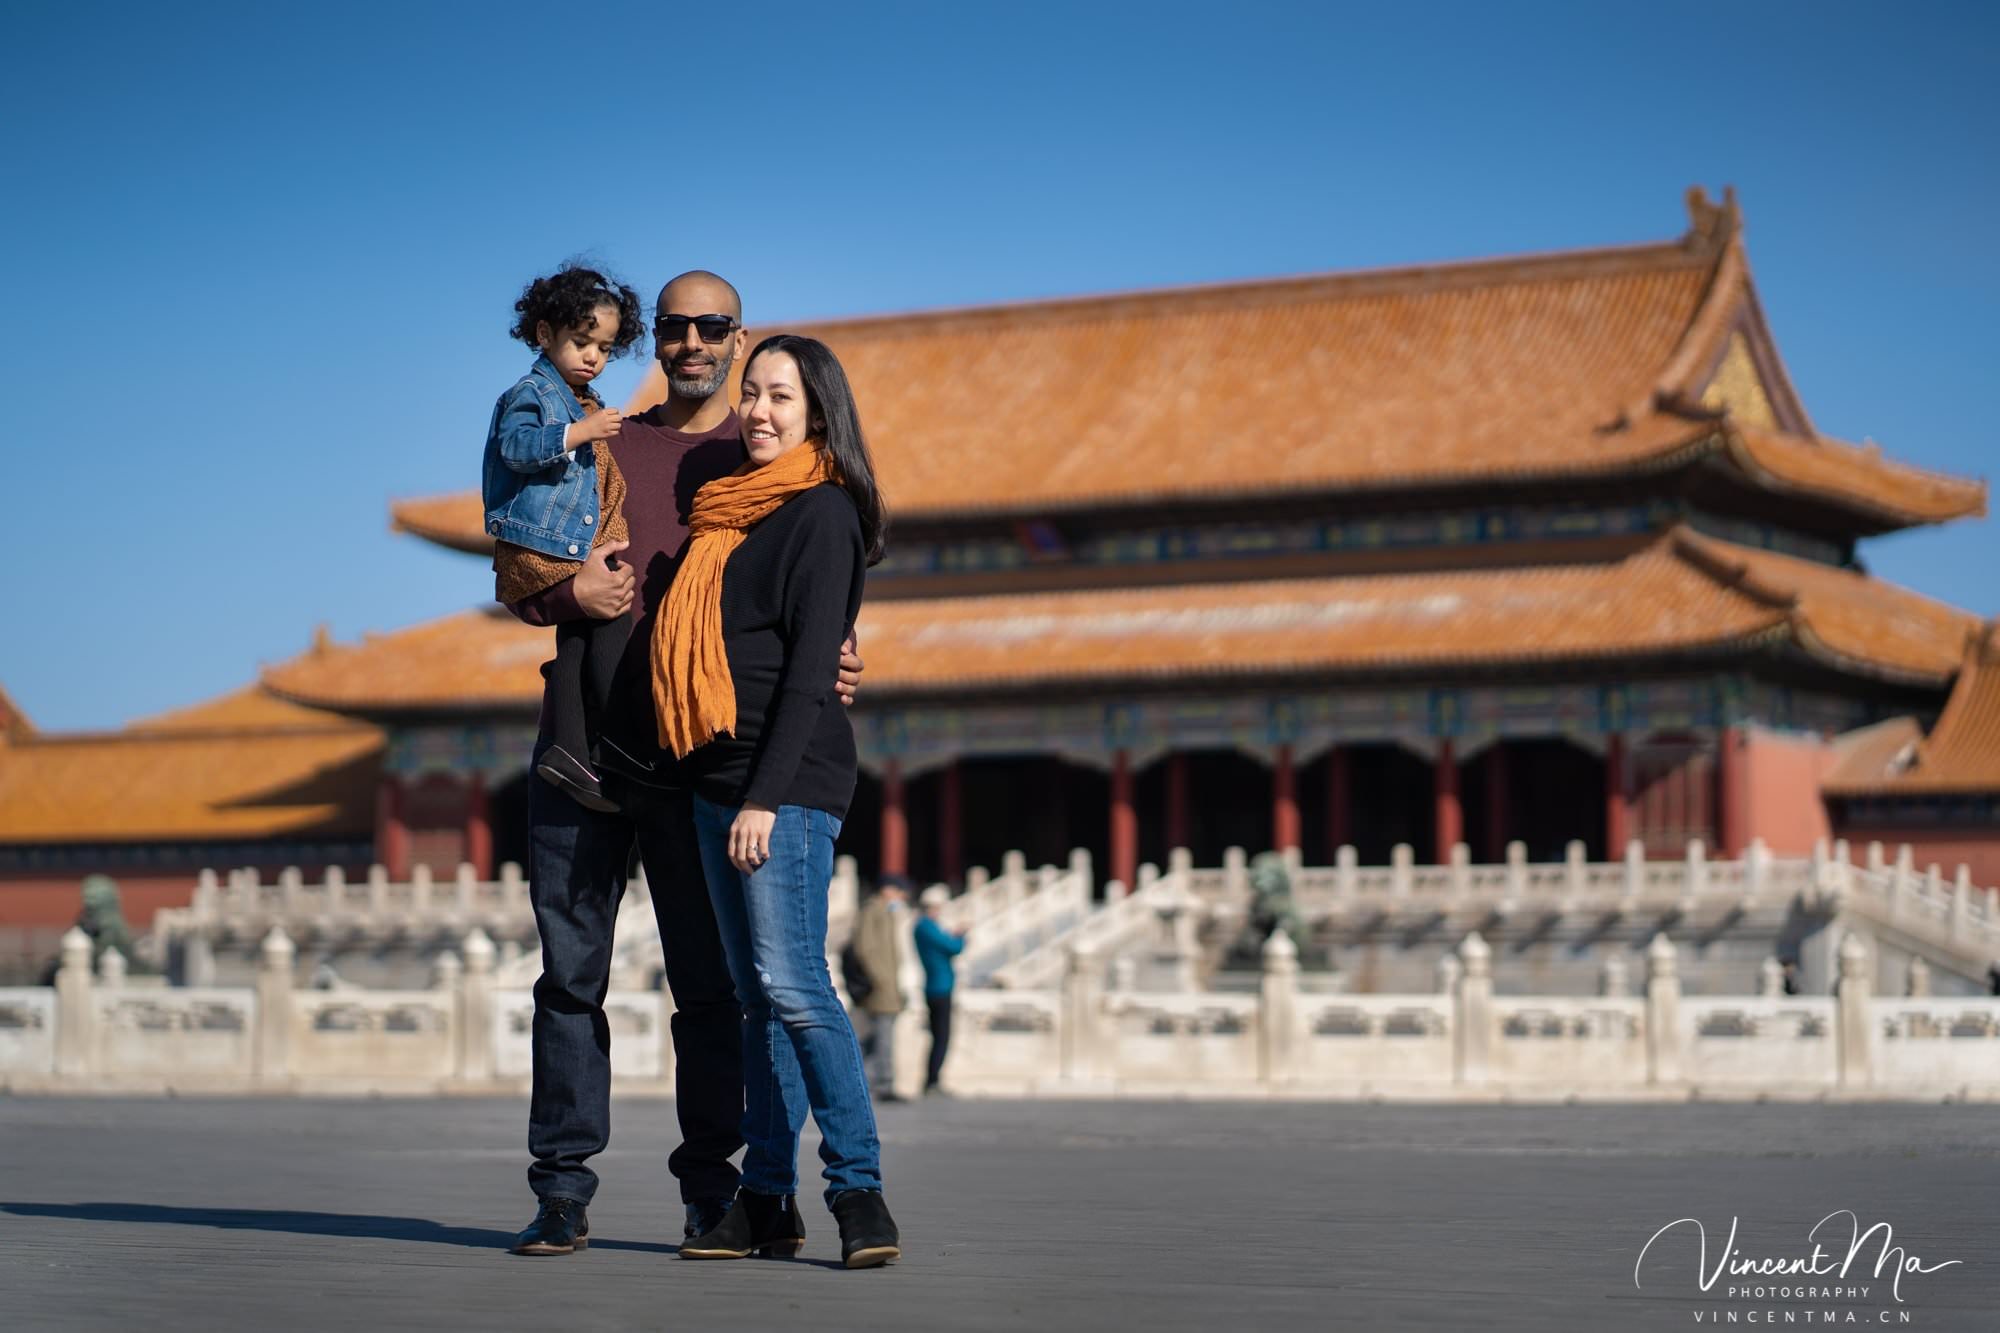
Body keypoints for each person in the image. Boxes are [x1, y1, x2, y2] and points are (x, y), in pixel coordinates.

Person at [505, 273, 865, 1258]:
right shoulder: (600, 437)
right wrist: (559, 591)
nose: (694, 343)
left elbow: (811, 587)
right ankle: (562, 1189)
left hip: (693, 759)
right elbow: (514, 555)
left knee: (711, 991)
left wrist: (834, 649)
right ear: (653, 340)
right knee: (569, 981)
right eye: (676, 328)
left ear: (738, 340)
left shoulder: (759, 456)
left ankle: (715, 1193)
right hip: (582, 749)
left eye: (714, 329)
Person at [666, 333, 901, 1269]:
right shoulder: (724, 517)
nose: (760, 412)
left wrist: (765, 798)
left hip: (785, 789)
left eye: (782, 399)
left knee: (799, 988)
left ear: (818, 413)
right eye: (752, 394)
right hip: (713, 785)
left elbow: (810, 673)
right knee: (756, 1001)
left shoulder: (824, 514)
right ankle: (765, 1199)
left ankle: (859, 1190)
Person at [481, 264, 643, 813]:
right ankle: (614, 737)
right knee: (610, 620)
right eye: (581, 341)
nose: (593, 356)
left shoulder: (581, 396)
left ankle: (571, 749)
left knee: (581, 635)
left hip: (564, 540)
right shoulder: (534, 394)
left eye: (604, 346)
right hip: (544, 542)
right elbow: (517, 449)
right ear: (544, 333)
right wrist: (580, 432)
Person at [853, 880, 909, 1102]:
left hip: (889, 985)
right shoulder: (872, 910)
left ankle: (863, 1079)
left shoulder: (887, 912)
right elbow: (865, 948)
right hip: (880, 986)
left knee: (875, 1036)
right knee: (882, 1036)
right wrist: (881, 979)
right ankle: (883, 1083)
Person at [913, 886, 968, 1096]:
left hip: (936, 985)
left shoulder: (924, 927)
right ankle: (932, 1080)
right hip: (939, 987)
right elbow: (954, 947)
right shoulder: (926, 926)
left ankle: (933, 1079)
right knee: (941, 1036)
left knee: (938, 1035)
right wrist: (961, 935)